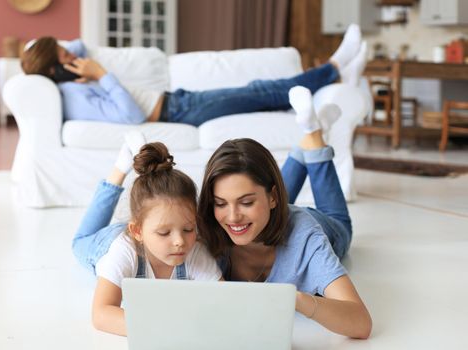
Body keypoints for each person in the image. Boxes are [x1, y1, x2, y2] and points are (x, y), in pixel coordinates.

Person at [196, 86, 372, 339]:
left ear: (274, 198)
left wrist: (297, 299)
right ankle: (310, 133)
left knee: (340, 220)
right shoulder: (207, 229)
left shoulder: (306, 237)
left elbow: (361, 323)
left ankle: (314, 137)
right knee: (258, 200)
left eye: (245, 202)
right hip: (271, 214)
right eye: (220, 203)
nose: (232, 216)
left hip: (325, 225)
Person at [20, 24, 367, 126]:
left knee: (259, 93)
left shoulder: (72, 80)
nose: (74, 53)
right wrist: (102, 75)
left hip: (179, 101)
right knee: (262, 92)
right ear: (54, 69)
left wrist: (56, 54)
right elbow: (130, 115)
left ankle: (338, 76)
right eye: (64, 55)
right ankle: (335, 68)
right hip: (179, 112)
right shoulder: (73, 96)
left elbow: (77, 45)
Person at [72, 132, 222, 336]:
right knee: (78, 242)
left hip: (146, 226)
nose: (180, 242)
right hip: (107, 242)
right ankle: (118, 171)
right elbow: (101, 314)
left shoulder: (194, 251)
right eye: (164, 233)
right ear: (137, 231)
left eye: (188, 229)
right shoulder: (121, 253)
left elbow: (223, 301)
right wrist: (163, 327)